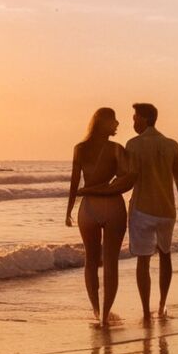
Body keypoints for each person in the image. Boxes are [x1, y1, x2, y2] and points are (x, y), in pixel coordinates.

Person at [67, 107, 134, 327]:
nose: (117, 124)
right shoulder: (116, 149)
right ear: (103, 122)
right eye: (113, 120)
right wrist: (105, 187)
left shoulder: (80, 149)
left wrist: (69, 210)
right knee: (111, 262)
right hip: (112, 205)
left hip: (88, 208)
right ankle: (105, 315)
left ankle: (96, 310)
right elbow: (126, 178)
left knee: (91, 260)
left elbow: (75, 182)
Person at [126, 103, 178, 322]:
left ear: (145, 119)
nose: (133, 122)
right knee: (165, 255)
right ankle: (162, 305)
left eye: (135, 118)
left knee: (143, 261)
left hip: (142, 210)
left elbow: (128, 177)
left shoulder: (133, 145)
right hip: (167, 210)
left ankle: (146, 312)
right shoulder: (172, 145)